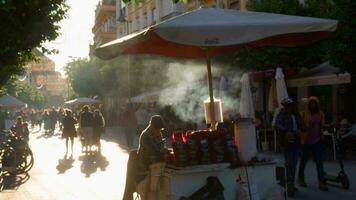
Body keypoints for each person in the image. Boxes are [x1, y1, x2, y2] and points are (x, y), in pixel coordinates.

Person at [123, 115, 168, 200]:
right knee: (154, 184)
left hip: (155, 163)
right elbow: (154, 152)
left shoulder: (158, 133)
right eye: (157, 128)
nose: (159, 131)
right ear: (152, 125)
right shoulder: (146, 135)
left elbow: (161, 147)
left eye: (160, 129)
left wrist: (165, 149)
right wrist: (164, 151)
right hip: (145, 164)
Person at [275, 97, 304, 197]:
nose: (294, 107)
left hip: (296, 141)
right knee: (289, 164)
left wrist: (301, 130)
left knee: (294, 163)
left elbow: (302, 125)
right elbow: (277, 124)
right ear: (288, 106)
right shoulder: (282, 114)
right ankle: (289, 184)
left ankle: (291, 183)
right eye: (292, 105)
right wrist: (286, 131)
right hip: (286, 142)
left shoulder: (297, 115)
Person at [298, 96, 328, 191]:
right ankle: (300, 178)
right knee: (304, 161)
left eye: (314, 104)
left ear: (317, 105)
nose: (312, 106)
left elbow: (321, 125)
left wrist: (322, 134)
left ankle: (321, 182)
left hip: (316, 140)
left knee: (319, 162)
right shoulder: (304, 114)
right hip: (306, 141)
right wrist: (308, 126)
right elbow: (302, 127)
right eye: (311, 104)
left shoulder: (320, 114)